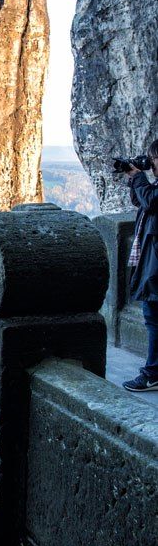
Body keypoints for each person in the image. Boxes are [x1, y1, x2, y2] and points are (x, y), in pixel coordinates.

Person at [123, 139, 158, 393]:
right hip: (153, 263)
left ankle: (152, 374)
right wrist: (134, 179)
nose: (151, 163)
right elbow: (142, 203)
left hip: (156, 268)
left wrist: (139, 178)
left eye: (153, 158)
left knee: (153, 320)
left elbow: (151, 202)